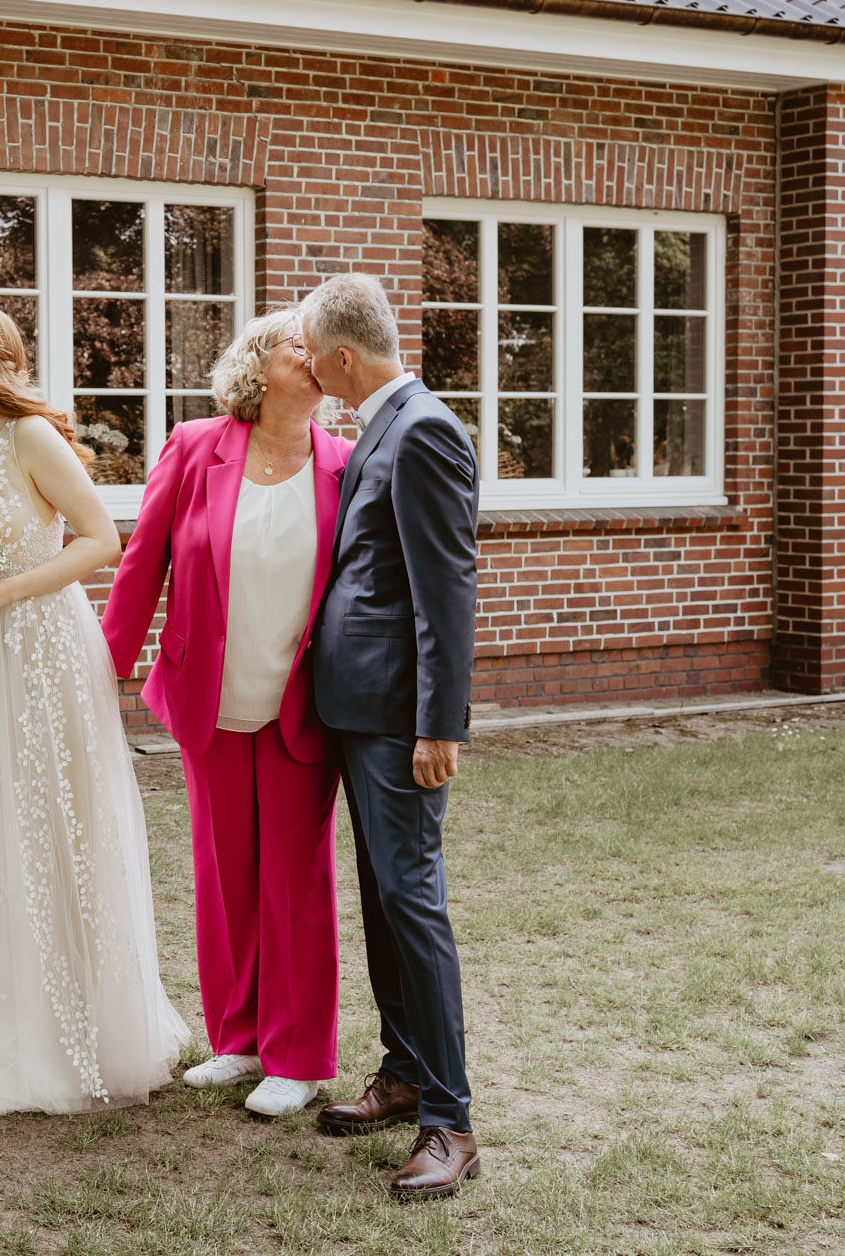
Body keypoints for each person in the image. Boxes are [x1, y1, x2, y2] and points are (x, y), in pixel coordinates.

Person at [0, 301, 187, 1114]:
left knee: (55, 830)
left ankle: (78, 1028)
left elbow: (102, 539)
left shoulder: (31, 438)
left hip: (43, 652)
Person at [101, 309, 350, 1118]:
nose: (310, 356)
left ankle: (299, 1055)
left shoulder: (347, 464)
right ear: (255, 364)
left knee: (295, 880)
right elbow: (142, 565)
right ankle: (238, 1039)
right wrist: (104, 670)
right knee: (222, 874)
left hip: (298, 703)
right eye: (293, 343)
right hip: (209, 696)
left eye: (318, 347)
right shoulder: (194, 444)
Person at [300, 274, 482, 1200]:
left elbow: (446, 589)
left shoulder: (425, 430)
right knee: (379, 899)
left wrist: (438, 722)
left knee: (413, 901)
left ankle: (450, 1118)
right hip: (354, 708)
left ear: (340, 356)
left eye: (308, 352)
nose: (306, 367)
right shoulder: (378, 425)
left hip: (399, 719)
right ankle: (404, 1068)